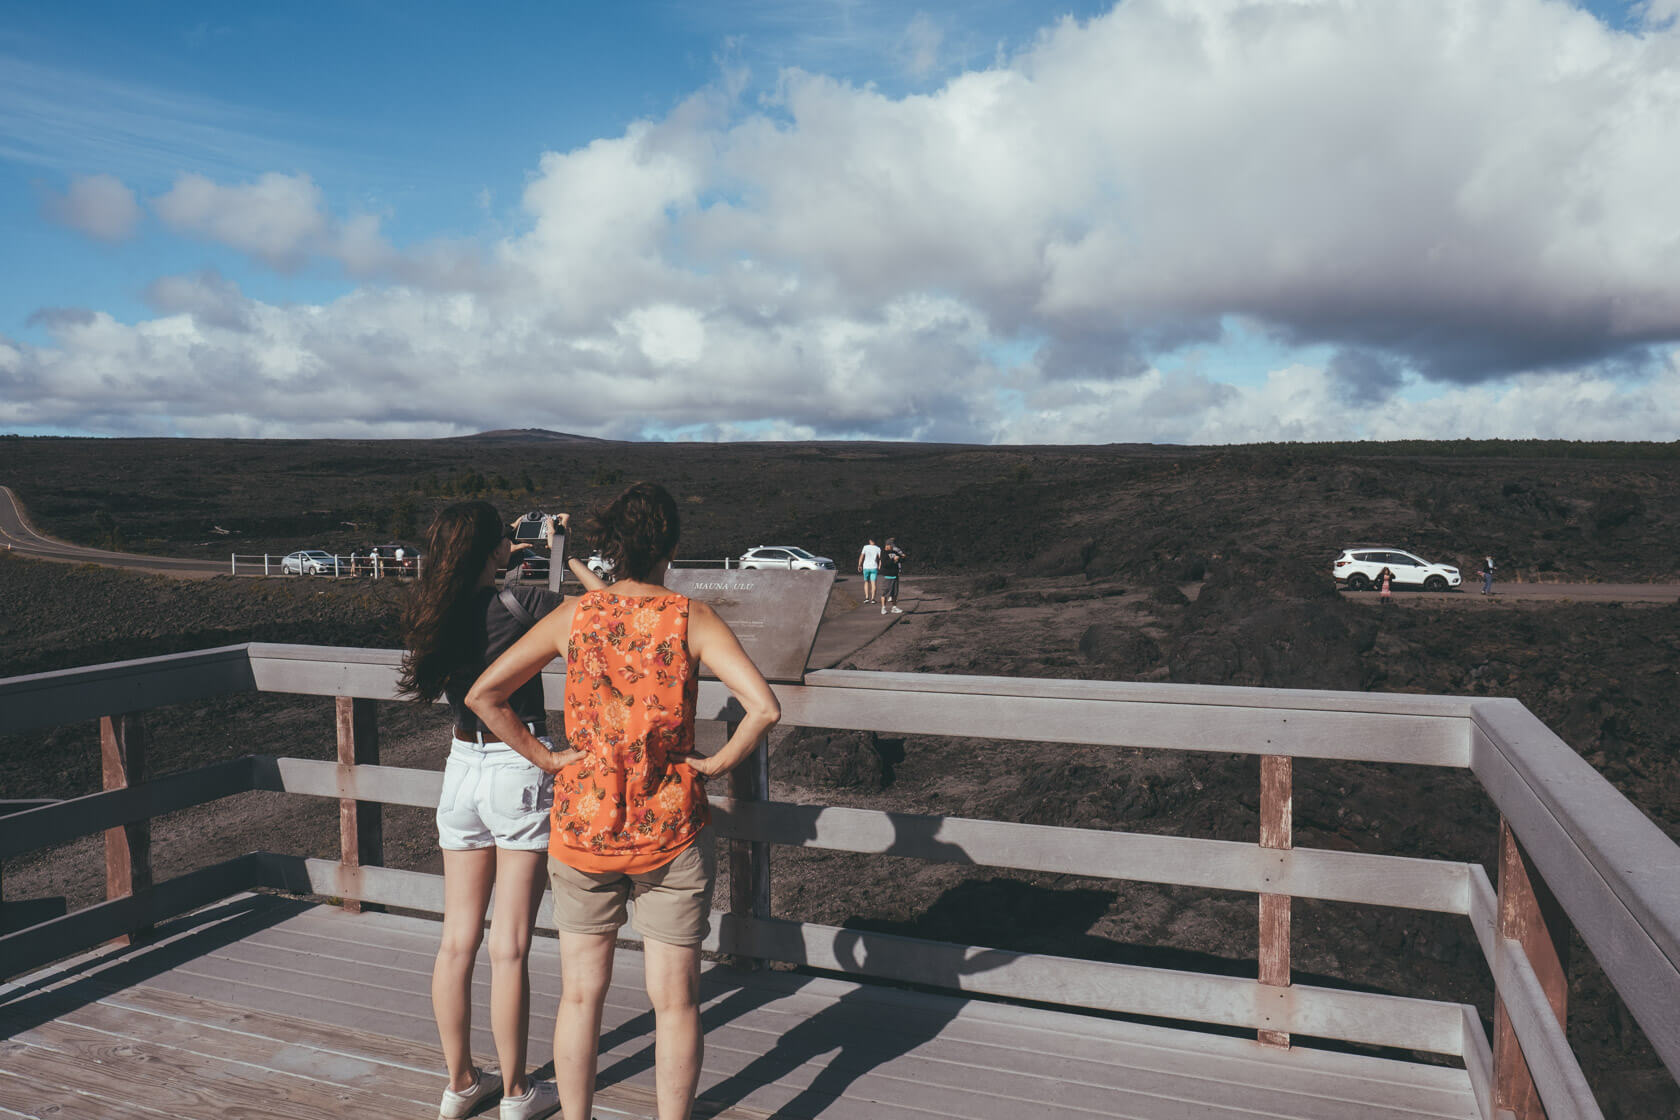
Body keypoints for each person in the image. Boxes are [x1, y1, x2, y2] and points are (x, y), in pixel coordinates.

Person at [467, 481, 780, 1120]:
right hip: (670, 828)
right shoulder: (691, 618)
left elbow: (485, 695)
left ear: (612, 547)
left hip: (583, 830)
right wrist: (713, 765)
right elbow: (764, 707)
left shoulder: (574, 617)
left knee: (581, 996)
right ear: (670, 545)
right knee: (677, 1001)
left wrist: (549, 759)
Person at [399, 502, 587, 1120]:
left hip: (460, 768)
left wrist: (541, 554)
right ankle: (515, 1093)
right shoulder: (521, 604)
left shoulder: (436, 610)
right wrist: (566, 549)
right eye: (505, 538)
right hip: (516, 765)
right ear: (490, 549)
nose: (512, 543)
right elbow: (594, 609)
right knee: (509, 946)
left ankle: (459, 1085)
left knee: (457, 941)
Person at [879, 538, 905, 614]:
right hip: (887, 576)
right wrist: (894, 560)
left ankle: (894, 607)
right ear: (887, 545)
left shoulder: (894, 552)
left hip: (895, 576)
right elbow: (885, 564)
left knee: (895, 593)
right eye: (891, 545)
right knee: (885, 593)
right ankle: (883, 608)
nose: (892, 547)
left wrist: (902, 557)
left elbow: (902, 559)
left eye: (892, 545)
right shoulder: (883, 553)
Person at [857, 538, 882, 603]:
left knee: (866, 582)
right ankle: (873, 599)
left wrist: (859, 565)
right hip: (874, 567)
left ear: (870, 541)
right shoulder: (878, 548)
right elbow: (880, 558)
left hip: (866, 567)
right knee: (873, 583)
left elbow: (861, 556)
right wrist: (879, 566)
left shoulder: (865, 547)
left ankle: (867, 598)